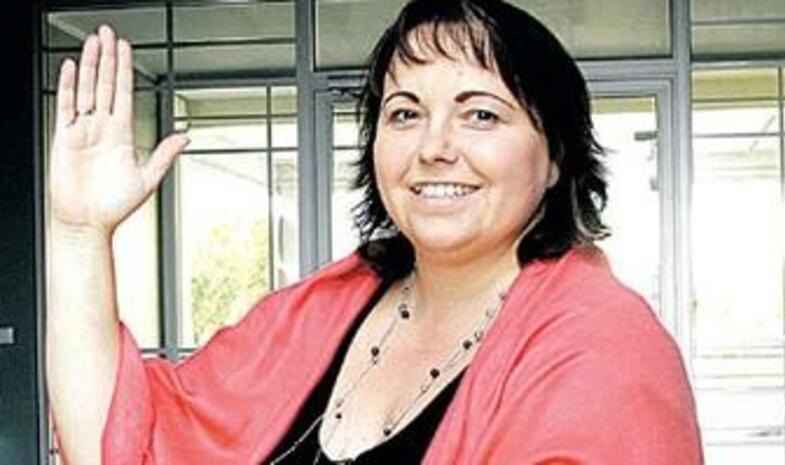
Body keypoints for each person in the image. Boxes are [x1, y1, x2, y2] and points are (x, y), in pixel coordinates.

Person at [47, 0, 703, 463]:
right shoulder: (316, 315)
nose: (434, 146)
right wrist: (79, 233)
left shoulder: (605, 347)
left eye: (480, 114)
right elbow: (122, 441)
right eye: (405, 113)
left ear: (555, 155)